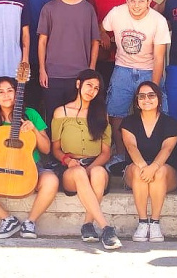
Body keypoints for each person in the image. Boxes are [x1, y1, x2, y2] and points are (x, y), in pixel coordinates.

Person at [0, 78, 58, 239]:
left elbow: (46, 148)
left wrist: (34, 129)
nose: (6, 95)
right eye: (1, 91)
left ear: (17, 94)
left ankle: (30, 222)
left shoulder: (31, 114)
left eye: (9, 90)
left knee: (52, 181)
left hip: (30, 169)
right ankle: (8, 220)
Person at [50, 69, 121, 250]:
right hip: (70, 168)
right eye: (89, 85)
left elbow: (105, 153)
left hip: (94, 164)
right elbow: (55, 149)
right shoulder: (61, 112)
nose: (92, 90)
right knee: (79, 172)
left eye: (96, 88)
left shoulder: (100, 114)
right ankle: (106, 227)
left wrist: (89, 168)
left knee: (97, 172)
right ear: (78, 84)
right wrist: (67, 161)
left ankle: (88, 225)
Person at [103, 0, 170, 171]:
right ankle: (121, 155)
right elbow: (103, 27)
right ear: (126, 0)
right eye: (132, 0)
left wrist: (154, 87)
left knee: (156, 111)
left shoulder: (158, 20)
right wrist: (105, 37)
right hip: (122, 69)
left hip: (148, 70)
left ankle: (154, 156)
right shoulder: (117, 13)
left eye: (141, 0)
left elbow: (159, 57)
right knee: (116, 112)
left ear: (149, 2)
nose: (137, 5)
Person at [38, 0, 100, 126]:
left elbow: (95, 41)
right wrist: (42, 70)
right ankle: (53, 152)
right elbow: (42, 41)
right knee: (54, 119)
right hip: (53, 75)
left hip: (79, 76)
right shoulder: (49, 8)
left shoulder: (88, 9)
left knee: (77, 120)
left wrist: (91, 69)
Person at [121, 81, 177, 242]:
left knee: (159, 171)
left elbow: (167, 149)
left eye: (151, 95)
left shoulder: (170, 123)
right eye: (142, 96)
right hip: (137, 170)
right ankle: (142, 222)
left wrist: (153, 167)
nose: (146, 99)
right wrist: (143, 167)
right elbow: (131, 146)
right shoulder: (128, 122)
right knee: (138, 171)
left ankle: (154, 222)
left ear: (159, 99)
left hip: (165, 173)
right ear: (137, 101)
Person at [17, 0, 62, 114]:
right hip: (29, 55)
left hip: (55, 56)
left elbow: (68, 9)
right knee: (31, 101)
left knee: (54, 103)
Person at [90, 0, 131, 88]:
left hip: (129, 58)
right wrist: (101, 33)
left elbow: (154, 11)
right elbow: (90, 20)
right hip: (105, 56)